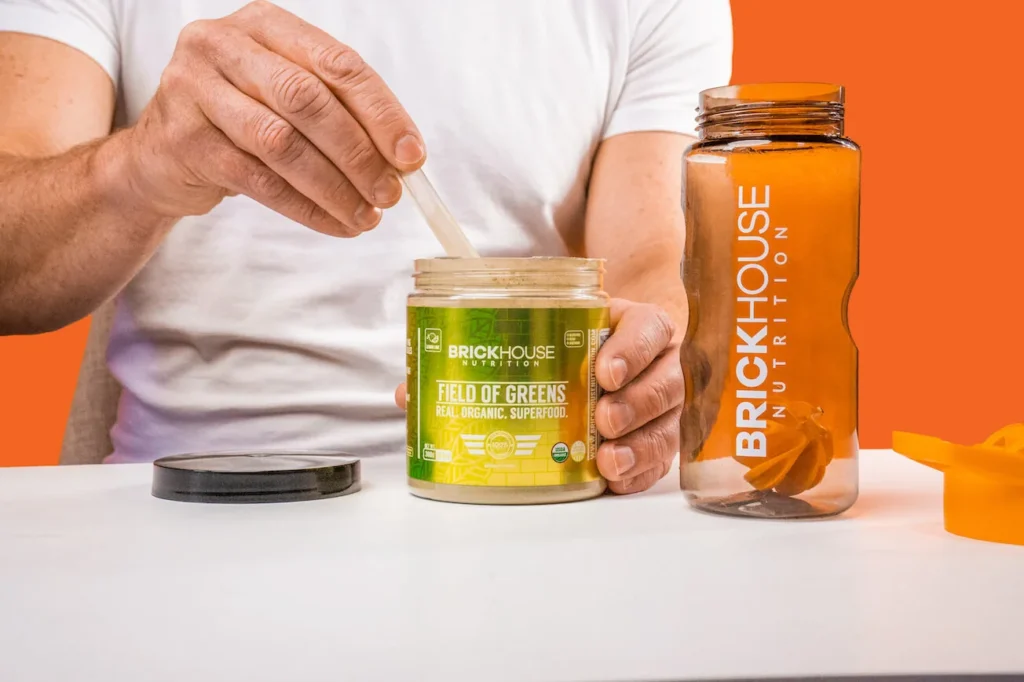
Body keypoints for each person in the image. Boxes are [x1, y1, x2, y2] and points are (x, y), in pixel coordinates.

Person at [0, 0, 732, 494]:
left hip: (523, 492)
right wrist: (145, 165)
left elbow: (650, 259)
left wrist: (653, 349)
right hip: (193, 498)